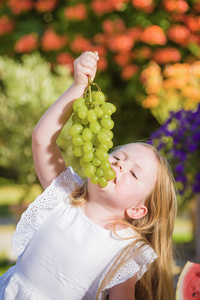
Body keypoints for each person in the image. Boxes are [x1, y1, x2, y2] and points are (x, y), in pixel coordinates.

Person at [0, 51, 177, 300]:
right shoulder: (65, 194)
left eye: (134, 173)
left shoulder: (126, 250)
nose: (119, 165)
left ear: (138, 210)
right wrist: (78, 87)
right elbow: (41, 139)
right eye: (117, 157)